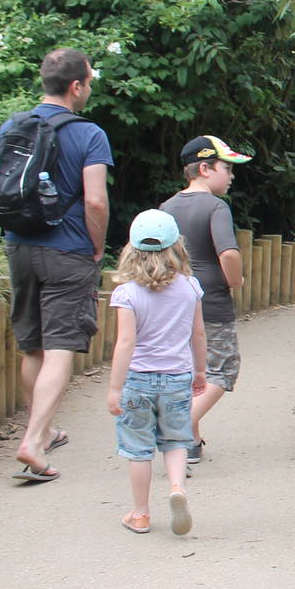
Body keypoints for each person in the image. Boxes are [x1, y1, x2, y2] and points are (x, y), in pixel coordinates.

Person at [0, 48, 112, 483]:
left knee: (33, 345)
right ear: (76, 86)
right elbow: (95, 200)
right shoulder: (89, 134)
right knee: (61, 347)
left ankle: (42, 431)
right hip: (69, 250)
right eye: (89, 84)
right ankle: (33, 439)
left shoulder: (12, 125)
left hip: (18, 245)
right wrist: (96, 248)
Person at [107, 209, 206, 535]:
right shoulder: (190, 287)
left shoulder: (127, 293)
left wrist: (115, 388)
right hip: (177, 377)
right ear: (176, 246)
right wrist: (200, 372)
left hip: (138, 380)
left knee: (138, 450)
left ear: (131, 250)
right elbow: (198, 334)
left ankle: (140, 513)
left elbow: (125, 343)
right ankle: (177, 488)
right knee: (176, 441)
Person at [160, 134, 252, 463]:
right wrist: (235, 279)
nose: (231, 176)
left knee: (189, 369)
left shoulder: (166, 208)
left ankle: (190, 443)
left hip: (174, 302)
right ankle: (181, 426)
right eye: (226, 168)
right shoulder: (216, 207)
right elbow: (227, 252)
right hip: (211, 301)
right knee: (224, 368)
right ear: (204, 168)